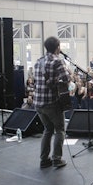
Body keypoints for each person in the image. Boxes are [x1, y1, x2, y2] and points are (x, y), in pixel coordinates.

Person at [33, 36, 70, 169]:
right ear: (58, 47)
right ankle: (56, 159)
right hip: (51, 103)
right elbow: (66, 78)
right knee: (60, 130)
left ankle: (44, 160)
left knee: (48, 130)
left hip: (38, 103)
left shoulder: (38, 61)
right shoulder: (57, 61)